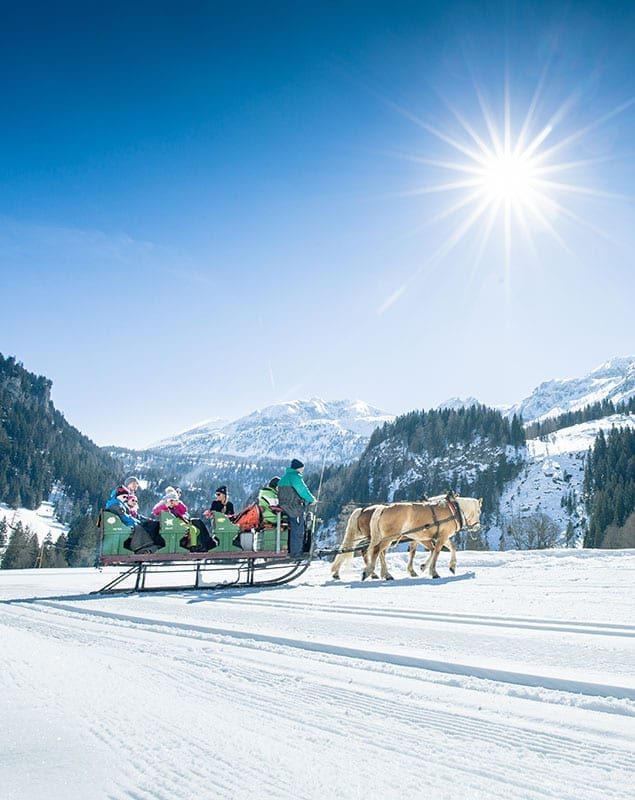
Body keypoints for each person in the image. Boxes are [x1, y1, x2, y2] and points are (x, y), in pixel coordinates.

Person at [277, 459, 316, 558]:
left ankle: (291, 550)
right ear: (298, 468)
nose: (303, 470)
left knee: (291, 529)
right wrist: (312, 499)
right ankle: (296, 553)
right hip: (294, 508)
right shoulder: (295, 477)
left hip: (284, 507)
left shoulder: (284, 478)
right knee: (298, 530)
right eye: (302, 468)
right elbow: (303, 491)